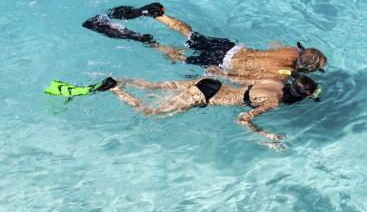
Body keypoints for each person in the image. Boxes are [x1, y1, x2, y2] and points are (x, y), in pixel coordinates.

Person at [45, 73, 321, 145]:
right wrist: (266, 136)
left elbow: (240, 81)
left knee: (153, 86)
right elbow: (242, 118)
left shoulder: (275, 81)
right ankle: (113, 89)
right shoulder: (273, 102)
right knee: (148, 113)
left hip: (210, 83)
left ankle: (118, 80)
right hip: (203, 97)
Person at [82, 3, 327, 83]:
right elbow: (242, 79)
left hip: (233, 47)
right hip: (224, 61)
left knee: (190, 34)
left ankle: (156, 14)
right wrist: (220, 74)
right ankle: (145, 40)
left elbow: (273, 44)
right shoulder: (280, 75)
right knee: (178, 55)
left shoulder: (287, 51)